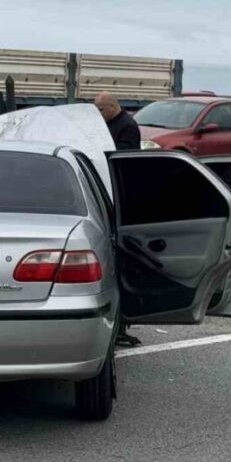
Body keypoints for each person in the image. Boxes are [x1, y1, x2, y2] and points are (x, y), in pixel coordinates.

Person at [92, 91, 144, 347]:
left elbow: (124, 159)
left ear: (113, 107)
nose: (98, 114)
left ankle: (121, 327)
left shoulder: (127, 127)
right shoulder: (109, 124)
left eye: (101, 109)